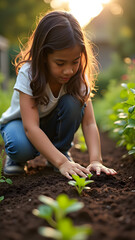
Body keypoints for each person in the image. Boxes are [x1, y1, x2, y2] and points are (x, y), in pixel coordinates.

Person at [0, 11, 117, 179]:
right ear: (44, 55)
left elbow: (90, 123)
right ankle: (19, 159)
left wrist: (96, 160)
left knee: (73, 102)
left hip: (48, 124)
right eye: (60, 63)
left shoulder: (78, 80)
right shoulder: (29, 73)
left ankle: (59, 151)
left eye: (75, 62)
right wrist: (62, 163)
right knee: (21, 148)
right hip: (20, 124)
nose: (68, 70)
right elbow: (30, 127)